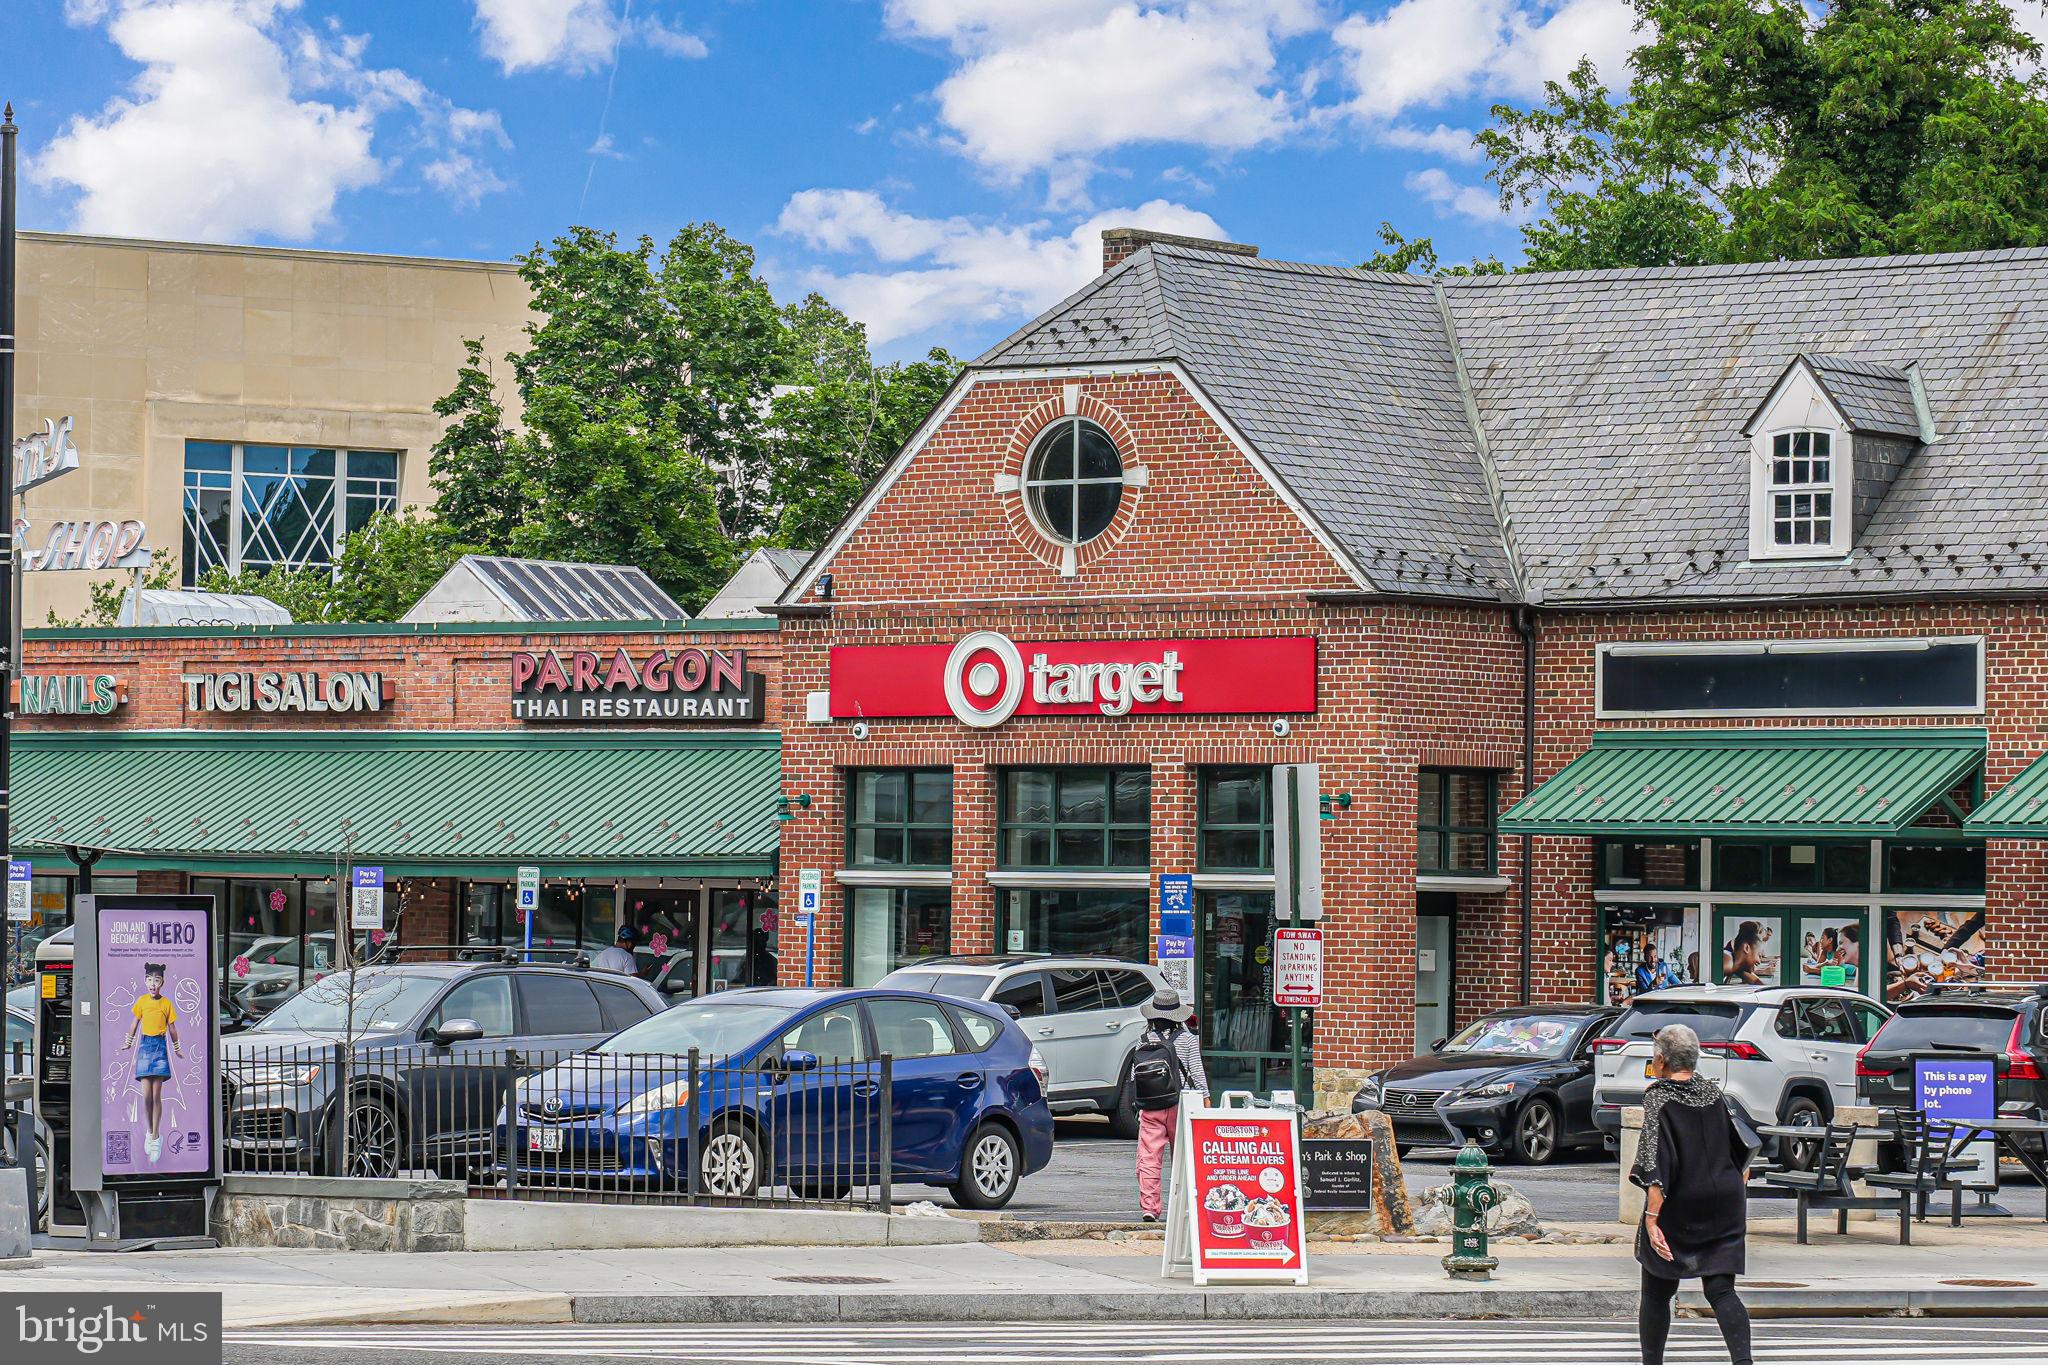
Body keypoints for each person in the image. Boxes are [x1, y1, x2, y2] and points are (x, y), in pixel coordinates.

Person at [1633, 1023, 1755, 1365]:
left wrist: (1652, 1218)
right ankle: (1743, 1362)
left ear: (1660, 1061)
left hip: (1681, 1202)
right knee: (1721, 1290)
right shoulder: (1712, 1092)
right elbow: (1739, 1150)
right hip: (1725, 1199)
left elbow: (1655, 1159)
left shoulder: (1659, 1096)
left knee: (1657, 1291)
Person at [1134, 987, 1207, 1223]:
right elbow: (1197, 1072)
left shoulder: (1144, 1039)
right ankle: (1185, 1205)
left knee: (1149, 1157)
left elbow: (1136, 1077)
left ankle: (1150, 1207)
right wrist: (1205, 1099)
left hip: (1152, 1104)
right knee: (1184, 1156)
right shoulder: (1187, 1039)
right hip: (1182, 1104)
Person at [119, 961, 183, 1165]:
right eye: (149, 979)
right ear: (145, 981)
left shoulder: (166, 1004)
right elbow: (134, 1023)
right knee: (145, 1095)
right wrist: (128, 1043)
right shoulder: (141, 1002)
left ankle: (156, 1136)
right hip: (146, 1047)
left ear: (162, 982)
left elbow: (172, 1028)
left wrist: (177, 1047)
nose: (152, 983)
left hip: (160, 1047)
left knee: (156, 1094)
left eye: (156, 980)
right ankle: (149, 1130)